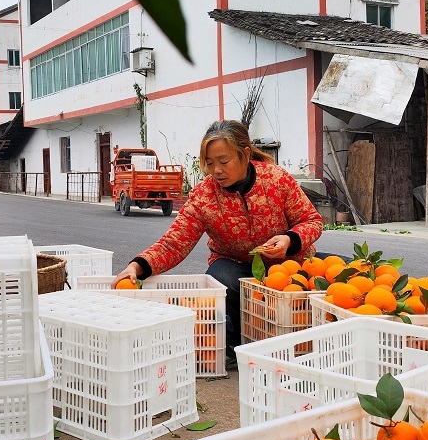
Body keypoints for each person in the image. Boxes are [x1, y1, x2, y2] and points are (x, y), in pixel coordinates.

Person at [112, 120, 323, 364]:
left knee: (340, 269)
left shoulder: (276, 179)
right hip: (236, 266)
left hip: (287, 265)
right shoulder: (204, 196)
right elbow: (175, 242)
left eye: (224, 162)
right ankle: (233, 340)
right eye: (210, 164)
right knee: (221, 277)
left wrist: (290, 240)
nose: (217, 171)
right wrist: (138, 266)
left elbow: (311, 220)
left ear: (244, 154)